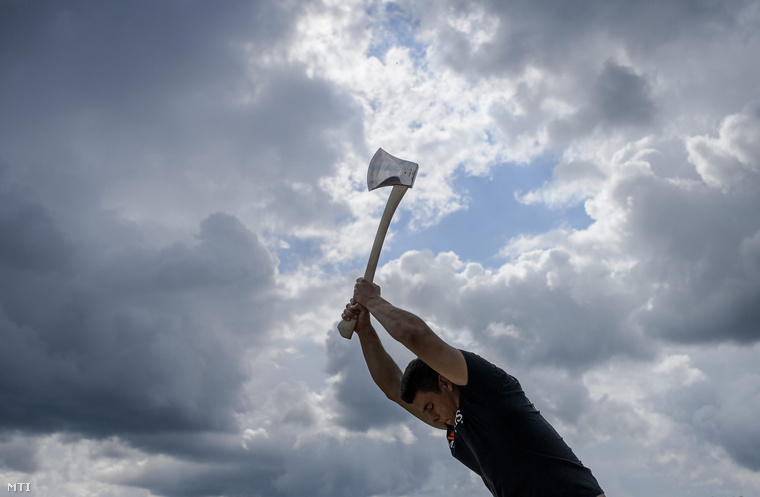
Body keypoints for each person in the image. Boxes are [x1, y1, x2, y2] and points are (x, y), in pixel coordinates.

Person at [341, 277, 605, 497]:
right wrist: (365, 329)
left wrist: (372, 300)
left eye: (430, 406)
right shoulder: (454, 423)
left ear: (444, 382)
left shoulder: (485, 387)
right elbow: (392, 387)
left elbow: (414, 335)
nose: (430, 417)